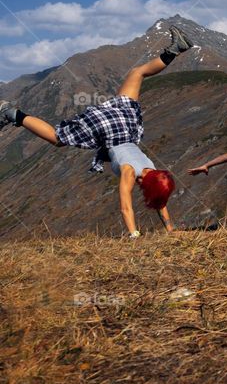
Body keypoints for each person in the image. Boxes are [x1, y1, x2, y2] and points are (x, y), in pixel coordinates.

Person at [0, 25, 194, 238]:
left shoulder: (152, 169)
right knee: (57, 137)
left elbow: (159, 198)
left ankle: (174, 50)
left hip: (126, 124)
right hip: (107, 128)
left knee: (137, 74)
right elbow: (126, 207)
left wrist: (170, 229)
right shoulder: (130, 173)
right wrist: (134, 234)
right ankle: (10, 112)